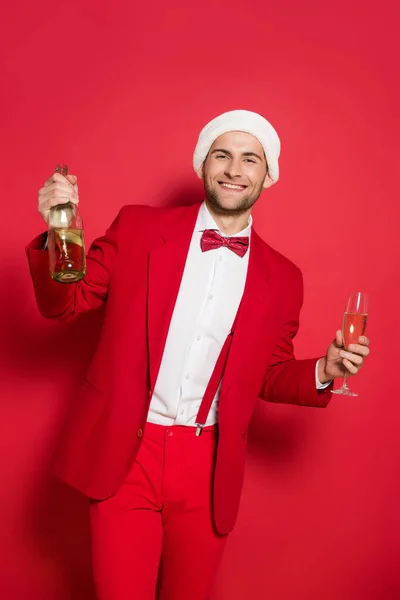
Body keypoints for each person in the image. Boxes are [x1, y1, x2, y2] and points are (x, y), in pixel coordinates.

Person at [26, 110, 370, 600]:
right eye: (222, 155)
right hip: (128, 452)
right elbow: (66, 303)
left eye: (250, 159)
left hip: (208, 466)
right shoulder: (140, 227)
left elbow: (269, 374)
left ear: (267, 175)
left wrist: (324, 369)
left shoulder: (283, 277)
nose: (234, 169)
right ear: (202, 165)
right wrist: (60, 229)